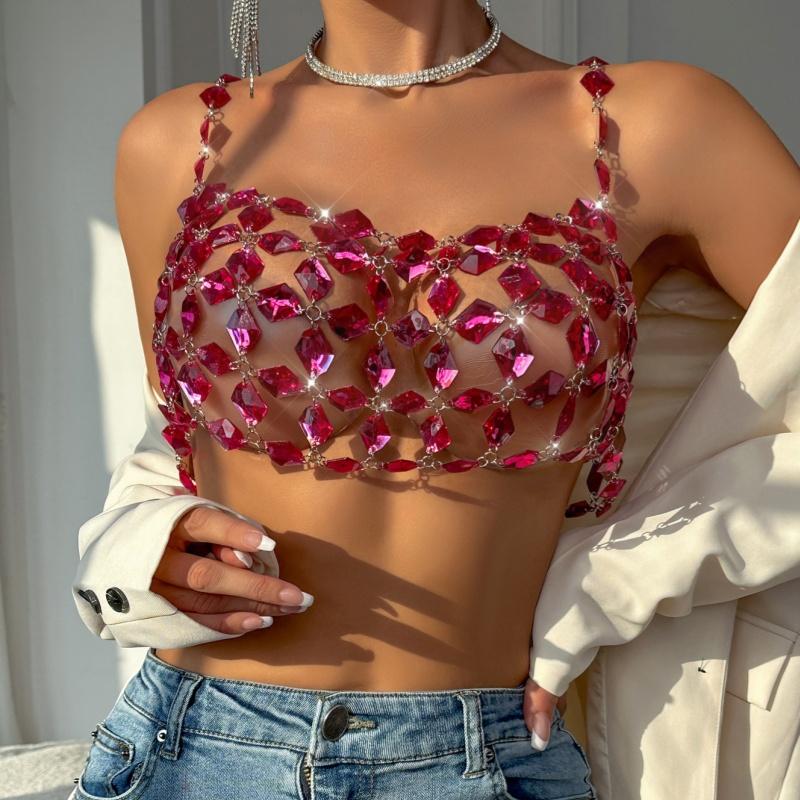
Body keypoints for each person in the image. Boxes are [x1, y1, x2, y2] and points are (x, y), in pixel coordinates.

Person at [70, 1, 800, 798]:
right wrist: (145, 548)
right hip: (193, 747)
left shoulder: (650, 128)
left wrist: (616, 579)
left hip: (488, 757)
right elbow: (178, 436)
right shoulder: (181, 142)